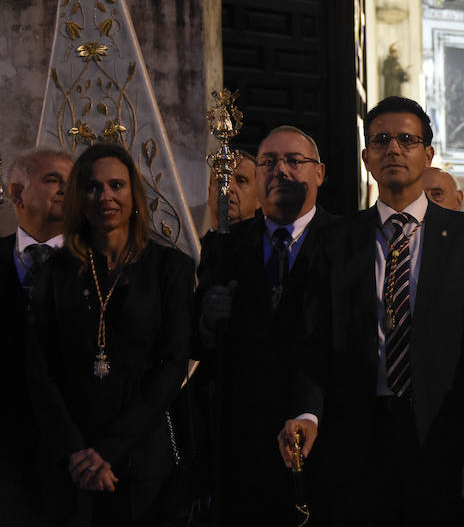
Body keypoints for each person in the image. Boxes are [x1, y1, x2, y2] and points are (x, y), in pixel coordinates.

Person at [302, 96, 464, 526]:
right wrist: (307, 412)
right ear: (366, 159)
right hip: (355, 435)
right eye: (381, 141)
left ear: (427, 154)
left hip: (443, 434)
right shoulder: (335, 239)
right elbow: (313, 340)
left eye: (407, 140)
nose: (393, 149)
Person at [27, 143, 194, 526]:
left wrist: (108, 449)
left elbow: (172, 367)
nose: (106, 196)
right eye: (92, 187)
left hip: (143, 456)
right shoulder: (54, 273)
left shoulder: (170, 269)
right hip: (71, 459)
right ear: (78, 198)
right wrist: (76, 451)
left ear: (134, 193)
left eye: (116, 185)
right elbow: (39, 369)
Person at [196, 125, 332, 526]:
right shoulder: (224, 245)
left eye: (294, 161)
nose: (280, 170)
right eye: (269, 162)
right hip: (243, 444)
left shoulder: (348, 241)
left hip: (325, 438)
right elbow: (197, 343)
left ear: (319, 173)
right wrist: (207, 320)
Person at [1, 149, 72, 525]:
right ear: (16, 193)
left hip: (73, 452)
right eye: (52, 180)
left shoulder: (97, 265)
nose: (66, 189)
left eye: (71, 182)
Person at [205, 149, 260, 231]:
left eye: (241, 181)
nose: (228, 188)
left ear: (259, 199)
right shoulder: (193, 244)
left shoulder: (269, 243)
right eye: (221, 180)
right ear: (209, 194)